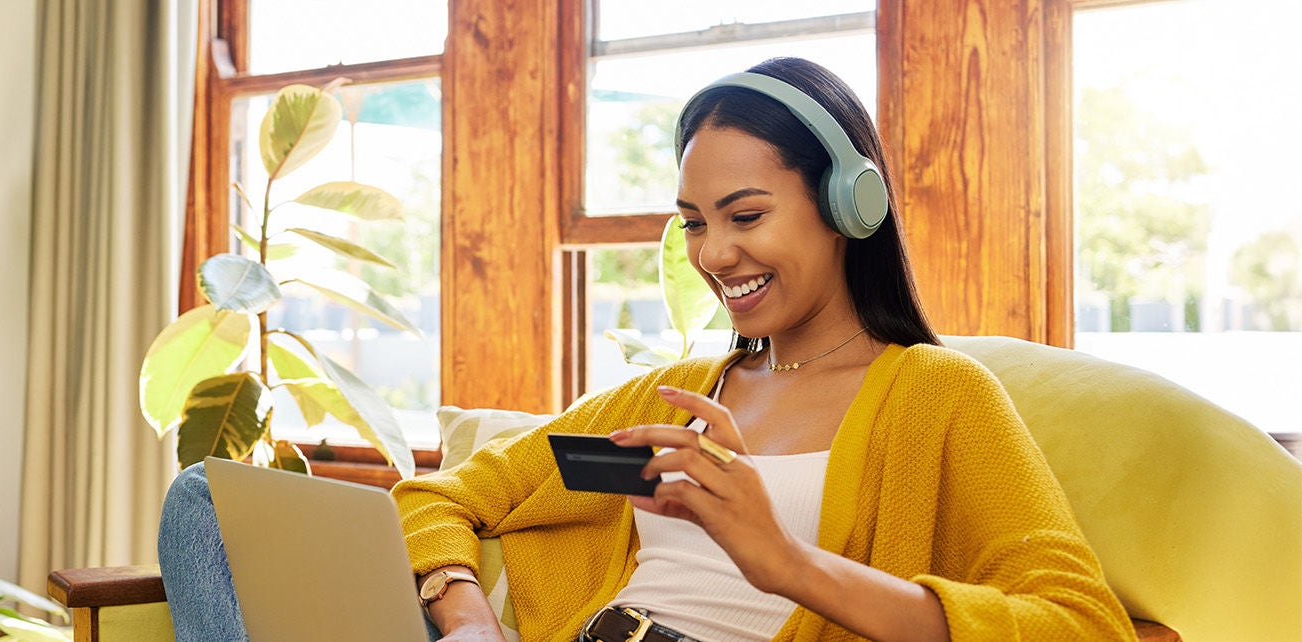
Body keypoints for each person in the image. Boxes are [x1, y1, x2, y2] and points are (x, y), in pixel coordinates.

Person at [159, 56, 1133, 642]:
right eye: (695, 223)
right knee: (207, 497)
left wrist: (786, 561)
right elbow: (447, 493)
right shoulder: (673, 395)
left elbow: (1078, 623)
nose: (716, 254)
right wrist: (466, 614)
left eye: (746, 214)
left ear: (850, 205)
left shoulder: (936, 394)